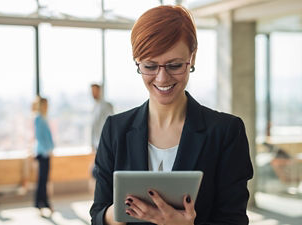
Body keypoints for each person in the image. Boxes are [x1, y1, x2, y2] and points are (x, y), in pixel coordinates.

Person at [90, 5, 253, 225]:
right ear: (137, 61)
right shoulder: (115, 129)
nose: (162, 78)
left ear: (192, 57)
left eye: (175, 65)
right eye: (150, 66)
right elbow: (98, 215)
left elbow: (234, 221)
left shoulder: (225, 132)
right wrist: (118, 213)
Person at [32, 96, 54, 217]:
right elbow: (40, 137)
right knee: (42, 180)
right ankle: (40, 203)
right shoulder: (38, 119)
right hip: (42, 153)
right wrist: (48, 149)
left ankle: (45, 203)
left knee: (44, 180)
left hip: (47, 152)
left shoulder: (44, 118)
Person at [90, 84, 113, 178]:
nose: (93, 94)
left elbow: (110, 124)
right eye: (91, 91)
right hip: (96, 143)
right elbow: (93, 127)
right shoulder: (95, 106)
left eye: (95, 91)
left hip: (103, 142)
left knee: (101, 171)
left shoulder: (106, 106)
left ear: (100, 91)